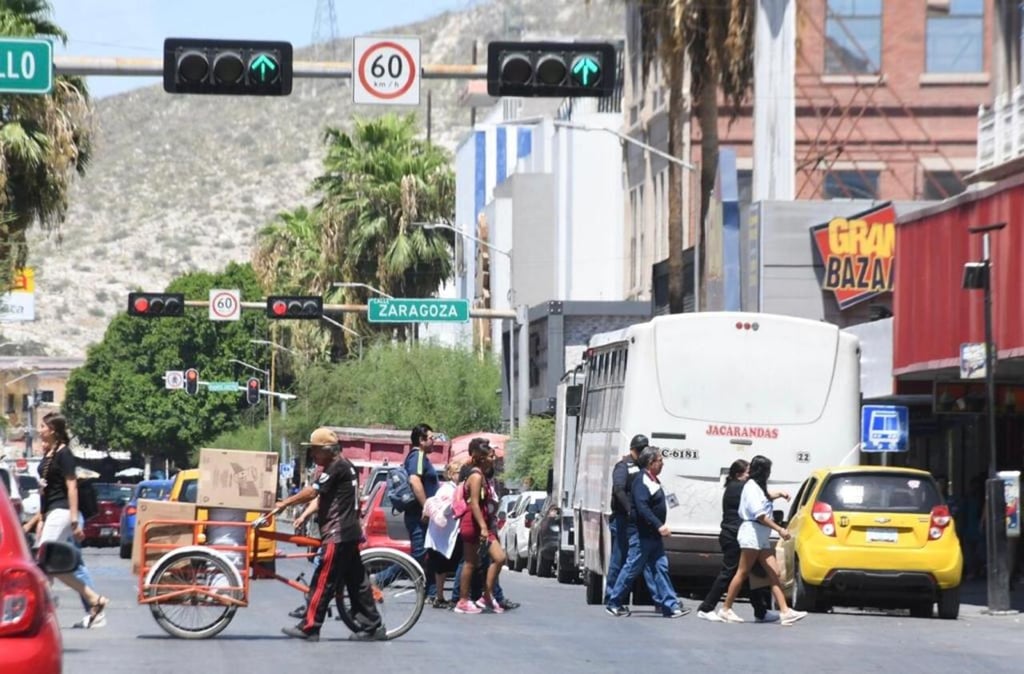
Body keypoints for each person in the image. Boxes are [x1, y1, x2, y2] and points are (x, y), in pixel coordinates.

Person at [279, 427, 384, 642]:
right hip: (349, 532)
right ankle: (372, 626)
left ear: (328, 450)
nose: (314, 455)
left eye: (316, 451)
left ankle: (310, 627)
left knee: (323, 581)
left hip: (338, 534)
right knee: (357, 583)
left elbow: (313, 491)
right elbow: (321, 498)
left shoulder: (336, 467)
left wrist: (286, 502)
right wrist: (305, 515)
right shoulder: (346, 466)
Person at [23, 413, 108, 628]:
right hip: (52, 513)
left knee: (42, 561)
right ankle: (93, 599)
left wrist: (73, 520)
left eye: (42, 426)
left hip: (62, 514)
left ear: (52, 430)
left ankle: (43, 608)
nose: (39, 429)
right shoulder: (50, 453)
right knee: (52, 564)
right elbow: (48, 491)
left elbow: (71, 486)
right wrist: (38, 519)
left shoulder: (64, 455)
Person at [718, 455, 806, 625]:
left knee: (775, 573)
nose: (769, 474)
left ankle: (785, 611)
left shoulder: (757, 487)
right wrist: (779, 529)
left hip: (761, 535)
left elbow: (765, 497)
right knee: (743, 572)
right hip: (752, 533)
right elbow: (759, 515)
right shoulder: (750, 487)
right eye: (767, 471)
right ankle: (726, 609)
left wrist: (779, 494)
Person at [605, 447, 689, 618]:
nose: (662, 463)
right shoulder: (641, 481)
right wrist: (659, 525)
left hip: (653, 536)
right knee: (631, 568)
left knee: (661, 568)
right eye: (660, 460)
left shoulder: (653, 480)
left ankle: (670, 606)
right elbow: (642, 507)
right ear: (651, 463)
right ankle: (614, 602)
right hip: (642, 534)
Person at [696, 459, 776, 623]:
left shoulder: (738, 486)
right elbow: (761, 500)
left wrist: (778, 494)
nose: (750, 476)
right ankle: (706, 608)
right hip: (732, 536)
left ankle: (760, 611)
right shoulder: (739, 487)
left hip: (736, 535)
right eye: (748, 473)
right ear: (738, 474)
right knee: (729, 572)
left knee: (750, 574)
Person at [453, 438, 507, 614]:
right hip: (473, 524)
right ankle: (462, 600)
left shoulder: (482, 475)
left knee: (499, 558)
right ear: (482, 458)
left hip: (482, 523)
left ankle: (487, 596)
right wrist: (483, 528)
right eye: (491, 456)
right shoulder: (475, 476)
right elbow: (474, 504)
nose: (493, 459)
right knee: (470, 562)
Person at [604, 434, 646, 606]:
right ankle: (611, 596)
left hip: (638, 521)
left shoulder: (644, 467)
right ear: (633, 450)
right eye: (639, 450)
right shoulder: (623, 466)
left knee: (636, 561)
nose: (642, 453)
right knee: (618, 559)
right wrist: (629, 509)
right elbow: (619, 489)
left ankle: (621, 596)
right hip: (622, 519)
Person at [404, 423, 440, 601]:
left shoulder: (422, 457)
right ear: (421, 440)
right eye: (432, 438)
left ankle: (432, 593)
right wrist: (427, 506)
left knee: (429, 555)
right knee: (418, 556)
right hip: (419, 516)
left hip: (423, 516)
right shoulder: (417, 455)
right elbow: (414, 480)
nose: (434, 441)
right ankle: (379, 578)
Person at [424, 461, 464, 608]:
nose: (461, 475)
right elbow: (445, 509)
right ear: (452, 474)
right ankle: (440, 596)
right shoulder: (448, 490)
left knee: (443, 567)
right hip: (442, 534)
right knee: (442, 566)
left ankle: (439, 596)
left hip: (446, 534)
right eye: (459, 472)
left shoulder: (451, 489)